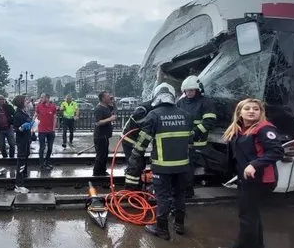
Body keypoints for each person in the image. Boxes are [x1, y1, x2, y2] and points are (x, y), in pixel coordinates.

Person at [124, 82, 193, 240]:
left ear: (156, 97)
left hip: (162, 167)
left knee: (162, 197)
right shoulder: (186, 115)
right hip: (183, 165)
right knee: (179, 195)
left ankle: (161, 229)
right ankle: (179, 225)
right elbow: (190, 143)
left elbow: (142, 143)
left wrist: (134, 162)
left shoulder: (154, 115)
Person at [221, 98, 284, 248]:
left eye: (256, 109)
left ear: (261, 113)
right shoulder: (238, 129)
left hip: (260, 179)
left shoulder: (264, 129)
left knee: (247, 217)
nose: (251, 111)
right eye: (247, 108)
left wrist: (254, 165)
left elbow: (277, 151)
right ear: (239, 112)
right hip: (247, 179)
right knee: (252, 215)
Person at [176, 75, 217, 198]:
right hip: (182, 141)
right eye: (187, 91)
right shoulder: (180, 102)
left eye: (191, 90)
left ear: (198, 90)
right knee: (182, 167)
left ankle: (188, 191)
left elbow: (209, 121)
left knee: (189, 167)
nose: (189, 93)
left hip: (197, 142)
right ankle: (183, 190)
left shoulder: (206, 102)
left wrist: (195, 133)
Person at [93, 91, 117, 176]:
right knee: (100, 155)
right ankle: (96, 173)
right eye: (107, 96)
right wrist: (110, 119)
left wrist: (113, 102)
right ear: (103, 98)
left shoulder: (106, 107)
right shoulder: (98, 109)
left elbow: (114, 109)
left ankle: (102, 171)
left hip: (105, 136)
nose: (109, 97)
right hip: (100, 136)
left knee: (105, 154)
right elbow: (98, 123)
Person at [12, 95, 33, 190]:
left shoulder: (24, 112)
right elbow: (16, 128)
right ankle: (19, 183)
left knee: (26, 156)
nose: (27, 102)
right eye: (25, 100)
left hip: (26, 138)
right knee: (21, 159)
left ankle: (24, 176)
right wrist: (21, 128)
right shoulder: (17, 114)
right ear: (21, 102)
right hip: (22, 140)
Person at [35, 93, 58, 170]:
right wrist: (32, 126)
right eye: (40, 97)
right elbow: (35, 115)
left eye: (42, 97)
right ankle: (41, 164)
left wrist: (54, 129)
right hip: (41, 130)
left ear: (47, 98)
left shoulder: (53, 106)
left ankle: (47, 161)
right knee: (42, 147)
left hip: (50, 131)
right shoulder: (39, 106)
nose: (41, 99)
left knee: (50, 148)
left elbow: (55, 118)